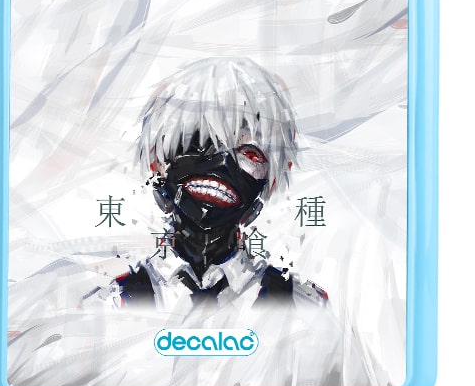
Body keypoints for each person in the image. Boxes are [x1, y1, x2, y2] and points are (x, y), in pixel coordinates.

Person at [113, 56, 328, 310]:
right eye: (196, 141)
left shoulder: (303, 304)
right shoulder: (111, 303)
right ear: (157, 164)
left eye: (248, 152)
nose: (222, 163)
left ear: (269, 179)